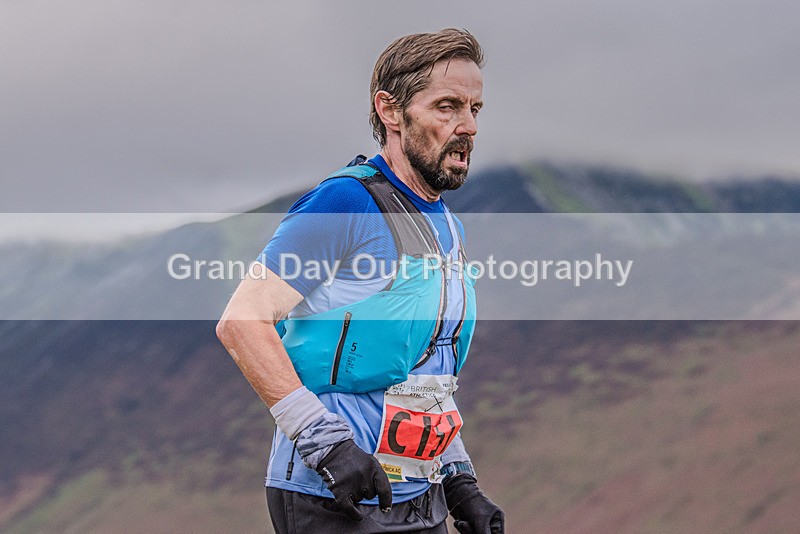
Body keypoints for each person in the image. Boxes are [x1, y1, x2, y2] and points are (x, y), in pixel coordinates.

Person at [216, 28, 504, 533]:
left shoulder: (447, 225)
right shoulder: (345, 204)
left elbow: (426, 367)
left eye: (474, 109)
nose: (467, 126)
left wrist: (460, 481)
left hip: (420, 495)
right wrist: (325, 443)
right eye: (447, 107)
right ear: (390, 111)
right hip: (334, 497)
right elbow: (243, 321)